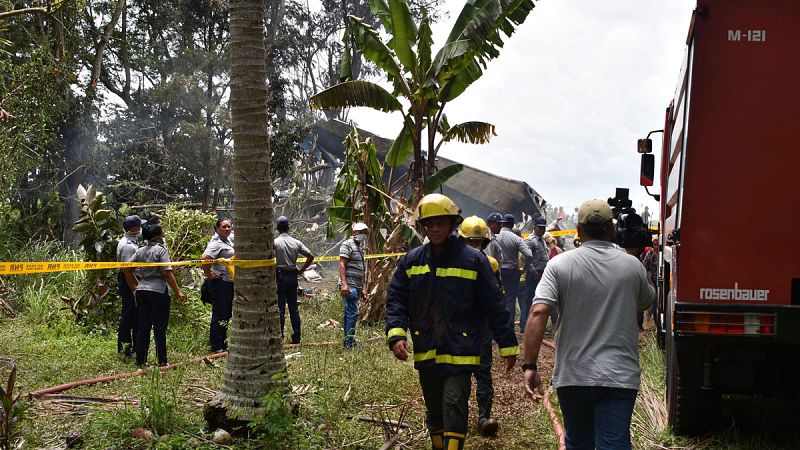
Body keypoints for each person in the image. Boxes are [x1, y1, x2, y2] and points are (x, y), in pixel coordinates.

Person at [386, 194, 518, 450]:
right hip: (426, 349)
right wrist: (396, 334)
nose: (434, 229)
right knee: (434, 410)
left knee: (453, 404)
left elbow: (495, 305)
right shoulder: (412, 261)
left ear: (452, 224)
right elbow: (397, 300)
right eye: (429, 224)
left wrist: (507, 343)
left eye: (440, 223)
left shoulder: (474, 261)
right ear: (423, 226)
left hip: (461, 351)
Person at [522, 199, 654, 450]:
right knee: (613, 444)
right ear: (612, 230)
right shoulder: (631, 265)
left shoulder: (559, 265)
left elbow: (539, 312)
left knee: (578, 442)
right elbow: (646, 302)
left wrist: (530, 365)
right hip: (618, 377)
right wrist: (635, 258)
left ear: (579, 232)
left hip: (574, 376)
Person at [458, 216, 502, 436]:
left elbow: (497, 300)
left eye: (478, 243)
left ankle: (484, 417)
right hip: (459, 329)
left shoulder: (491, 265)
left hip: (481, 329)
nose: (475, 247)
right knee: (460, 374)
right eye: (471, 243)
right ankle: (459, 419)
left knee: (483, 372)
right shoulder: (451, 264)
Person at [125, 224, 185, 367]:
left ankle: (141, 361)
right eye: (162, 234)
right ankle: (162, 361)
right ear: (158, 237)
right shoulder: (160, 251)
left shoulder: (140, 251)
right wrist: (178, 291)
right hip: (158, 291)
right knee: (159, 327)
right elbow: (166, 273)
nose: (164, 236)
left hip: (142, 290)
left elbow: (127, 268)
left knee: (143, 326)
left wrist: (135, 286)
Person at [274, 216, 315, 345]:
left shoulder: (275, 242)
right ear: (288, 227)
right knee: (293, 309)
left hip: (279, 276)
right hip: (292, 276)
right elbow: (310, 256)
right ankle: (296, 337)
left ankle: (279, 337)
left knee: (280, 308)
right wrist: (301, 270)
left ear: (277, 228)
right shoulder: (296, 242)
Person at [494, 213, 532, 331]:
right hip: (512, 272)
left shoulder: (494, 236)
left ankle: (497, 326)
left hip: (497, 271)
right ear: (512, 225)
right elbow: (529, 255)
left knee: (497, 299)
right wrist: (524, 269)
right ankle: (508, 327)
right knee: (510, 299)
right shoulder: (516, 238)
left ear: (503, 223)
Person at [202, 218, 235, 352]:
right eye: (224, 227)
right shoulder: (216, 243)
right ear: (217, 229)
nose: (227, 229)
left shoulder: (228, 240)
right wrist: (209, 274)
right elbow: (205, 259)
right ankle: (216, 345)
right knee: (219, 314)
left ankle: (223, 343)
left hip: (228, 282)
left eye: (229, 227)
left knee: (226, 314)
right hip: (220, 283)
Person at [116, 215, 146, 357]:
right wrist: (135, 289)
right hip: (129, 283)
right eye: (139, 226)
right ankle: (124, 348)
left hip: (133, 281)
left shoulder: (134, 242)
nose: (141, 229)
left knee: (135, 317)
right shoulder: (128, 246)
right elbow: (127, 271)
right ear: (134, 229)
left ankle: (134, 347)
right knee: (128, 316)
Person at [339, 222, 368, 349]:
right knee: (353, 313)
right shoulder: (347, 244)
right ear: (354, 233)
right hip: (349, 285)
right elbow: (342, 265)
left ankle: (348, 341)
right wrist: (344, 284)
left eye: (364, 232)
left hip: (356, 286)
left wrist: (362, 289)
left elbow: (360, 269)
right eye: (360, 232)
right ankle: (349, 344)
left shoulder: (359, 247)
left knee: (349, 314)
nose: (363, 234)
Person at [522, 216, 549, 334]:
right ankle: (524, 326)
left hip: (542, 274)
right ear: (535, 227)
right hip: (534, 275)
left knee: (540, 300)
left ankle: (536, 326)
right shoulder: (530, 240)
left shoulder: (542, 240)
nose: (542, 230)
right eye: (540, 228)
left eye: (543, 228)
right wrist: (533, 272)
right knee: (529, 300)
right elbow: (526, 257)